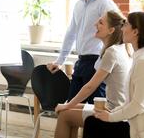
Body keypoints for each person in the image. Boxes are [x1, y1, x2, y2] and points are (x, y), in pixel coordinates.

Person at [47, 0, 118, 103]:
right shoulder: (79, 4)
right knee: (71, 109)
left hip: (97, 62)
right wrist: (60, 60)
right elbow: (71, 32)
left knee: (92, 113)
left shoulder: (105, 3)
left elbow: (116, 30)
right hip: (80, 62)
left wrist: (105, 59)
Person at [53, 10, 131, 138]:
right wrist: (68, 105)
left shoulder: (112, 52)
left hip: (113, 112)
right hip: (113, 107)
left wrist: (67, 104)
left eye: (100, 22)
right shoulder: (119, 48)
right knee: (67, 110)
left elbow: (90, 86)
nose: (95, 24)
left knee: (64, 115)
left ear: (111, 30)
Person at [94, 12, 144, 138]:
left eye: (126, 25)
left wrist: (110, 116)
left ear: (135, 32)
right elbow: (130, 101)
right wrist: (112, 112)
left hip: (139, 130)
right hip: (134, 127)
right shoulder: (136, 57)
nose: (121, 28)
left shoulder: (142, 62)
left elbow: (137, 105)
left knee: (93, 124)